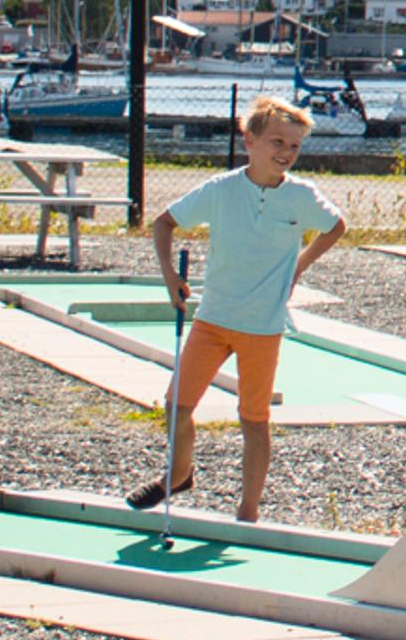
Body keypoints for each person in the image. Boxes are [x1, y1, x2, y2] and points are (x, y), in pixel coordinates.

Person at [139, 95, 345, 522]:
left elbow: (336, 226)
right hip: (213, 318)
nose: (286, 153)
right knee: (177, 406)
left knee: (253, 419)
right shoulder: (221, 190)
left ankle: (248, 510)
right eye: (277, 142)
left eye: (294, 146)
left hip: (262, 327)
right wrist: (169, 275)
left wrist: (299, 266)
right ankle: (179, 474)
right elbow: (163, 223)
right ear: (249, 140)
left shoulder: (301, 196)